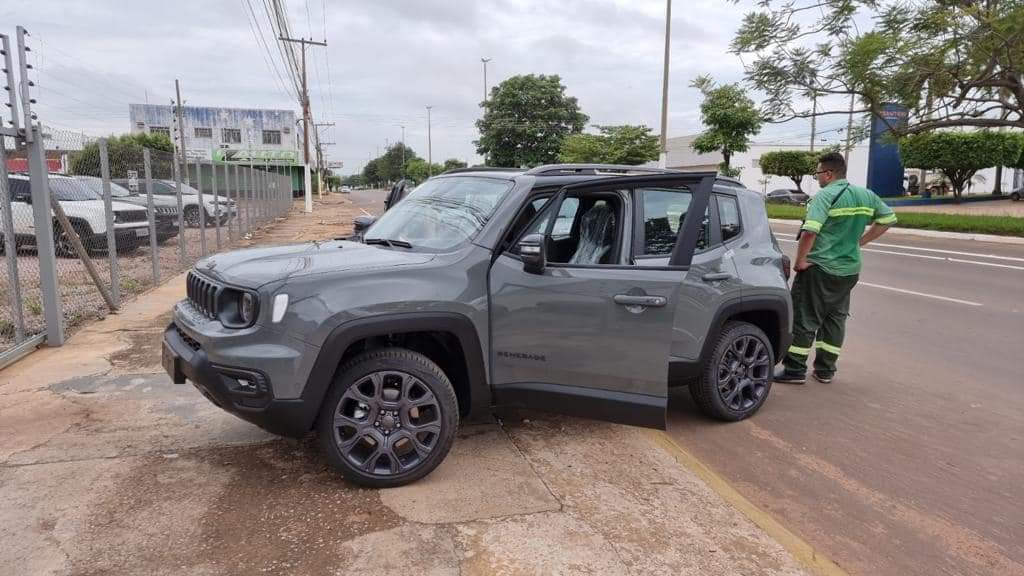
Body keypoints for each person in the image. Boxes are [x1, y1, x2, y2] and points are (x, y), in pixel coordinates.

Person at [775, 152, 897, 384]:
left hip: (820, 268)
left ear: (828, 174)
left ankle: (794, 370)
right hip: (849, 270)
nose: (817, 177)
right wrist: (859, 242)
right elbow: (888, 219)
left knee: (804, 318)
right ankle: (825, 370)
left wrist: (801, 261)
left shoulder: (825, 196)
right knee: (835, 319)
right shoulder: (865, 195)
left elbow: (810, 231)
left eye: (818, 173)